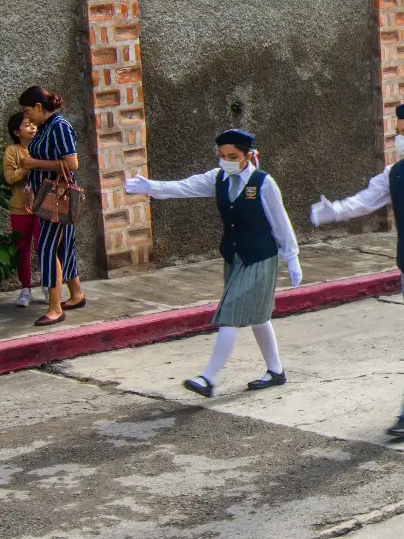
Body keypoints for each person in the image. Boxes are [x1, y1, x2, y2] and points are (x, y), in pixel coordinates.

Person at [311, 104, 404, 439]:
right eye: (399, 132)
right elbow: (366, 200)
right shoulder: (394, 174)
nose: (401, 139)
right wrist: (333, 211)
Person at [125, 130, 302, 397]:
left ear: (248, 155)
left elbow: (280, 221)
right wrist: (151, 187)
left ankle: (207, 378)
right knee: (257, 316)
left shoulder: (263, 183)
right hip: (234, 256)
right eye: (222, 155)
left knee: (230, 315)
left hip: (260, 257)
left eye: (233, 156)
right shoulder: (217, 178)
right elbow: (185, 186)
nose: (226, 160)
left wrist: (292, 257)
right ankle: (276, 371)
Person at [17, 86, 86, 326]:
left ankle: (55, 307)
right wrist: (29, 189)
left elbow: (72, 163)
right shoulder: (46, 127)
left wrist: (34, 162)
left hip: (58, 196)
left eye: (27, 111)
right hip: (46, 195)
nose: (26, 117)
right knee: (64, 246)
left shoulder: (59, 125)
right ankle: (76, 294)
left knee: (47, 248)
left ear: (38, 106)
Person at [2, 112, 40, 307]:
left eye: (33, 124)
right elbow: (10, 177)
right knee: (23, 250)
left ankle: (49, 288)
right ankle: (25, 290)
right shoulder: (12, 151)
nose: (32, 127)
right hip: (19, 208)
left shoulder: (41, 146)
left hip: (42, 207)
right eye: (27, 125)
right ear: (17, 132)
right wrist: (29, 167)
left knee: (43, 248)